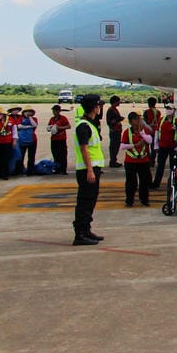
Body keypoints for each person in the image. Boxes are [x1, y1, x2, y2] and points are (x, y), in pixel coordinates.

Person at [72, 94, 106, 245]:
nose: (100, 108)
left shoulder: (89, 124)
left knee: (90, 201)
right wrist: (90, 170)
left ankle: (86, 230)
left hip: (92, 168)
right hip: (88, 170)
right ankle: (80, 234)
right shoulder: (84, 126)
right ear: (94, 107)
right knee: (85, 202)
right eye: (99, 105)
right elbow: (84, 149)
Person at [120, 111, 154, 206]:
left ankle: (144, 200)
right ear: (131, 122)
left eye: (138, 119)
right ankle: (129, 200)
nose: (138, 121)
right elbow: (122, 146)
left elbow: (150, 140)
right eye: (135, 119)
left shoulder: (143, 130)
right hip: (131, 161)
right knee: (131, 182)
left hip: (143, 160)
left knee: (144, 182)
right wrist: (135, 145)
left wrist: (142, 134)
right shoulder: (127, 132)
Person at [152, 102, 177, 190]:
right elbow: (157, 132)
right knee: (160, 165)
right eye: (167, 108)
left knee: (174, 166)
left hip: (173, 146)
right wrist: (156, 145)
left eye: (170, 109)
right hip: (162, 146)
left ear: (174, 111)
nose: (168, 110)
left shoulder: (176, 121)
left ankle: (174, 183)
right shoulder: (161, 120)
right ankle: (156, 183)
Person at [48, 104, 71, 174]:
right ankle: (57, 169)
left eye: (55, 111)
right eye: (53, 111)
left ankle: (63, 170)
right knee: (55, 154)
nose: (54, 112)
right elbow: (49, 126)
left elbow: (69, 126)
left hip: (61, 139)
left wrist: (60, 127)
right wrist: (49, 128)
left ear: (58, 111)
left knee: (63, 155)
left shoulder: (63, 118)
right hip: (54, 139)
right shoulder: (52, 119)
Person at [17, 108, 38, 174]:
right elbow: (19, 126)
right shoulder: (20, 118)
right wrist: (29, 126)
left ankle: (30, 170)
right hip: (22, 140)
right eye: (26, 111)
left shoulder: (34, 119)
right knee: (21, 155)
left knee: (31, 156)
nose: (28, 113)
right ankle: (20, 169)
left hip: (32, 139)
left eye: (30, 112)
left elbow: (34, 125)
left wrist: (30, 117)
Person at [105, 96, 123, 168]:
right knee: (114, 147)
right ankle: (112, 161)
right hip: (114, 131)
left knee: (116, 146)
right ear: (115, 102)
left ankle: (114, 160)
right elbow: (109, 122)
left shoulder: (114, 109)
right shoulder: (111, 110)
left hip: (117, 130)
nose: (119, 102)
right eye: (118, 101)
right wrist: (118, 119)